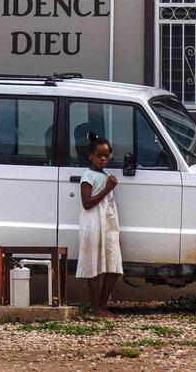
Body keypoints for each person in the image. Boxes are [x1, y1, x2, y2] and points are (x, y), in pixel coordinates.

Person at [76, 133, 124, 317]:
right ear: (91, 156)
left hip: (108, 225)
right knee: (93, 265)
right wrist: (108, 188)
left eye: (106, 155)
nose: (103, 159)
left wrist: (108, 186)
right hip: (93, 224)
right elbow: (87, 203)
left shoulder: (106, 177)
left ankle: (102, 306)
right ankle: (96, 307)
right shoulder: (87, 176)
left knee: (113, 265)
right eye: (99, 155)